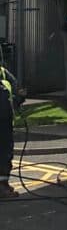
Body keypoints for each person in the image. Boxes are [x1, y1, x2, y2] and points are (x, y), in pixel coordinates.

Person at [0, 64, 24, 198]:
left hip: (4, 123)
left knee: (4, 154)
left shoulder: (3, 73)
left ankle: (3, 185)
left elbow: (18, 91)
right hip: (4, 121)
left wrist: (16, 101)